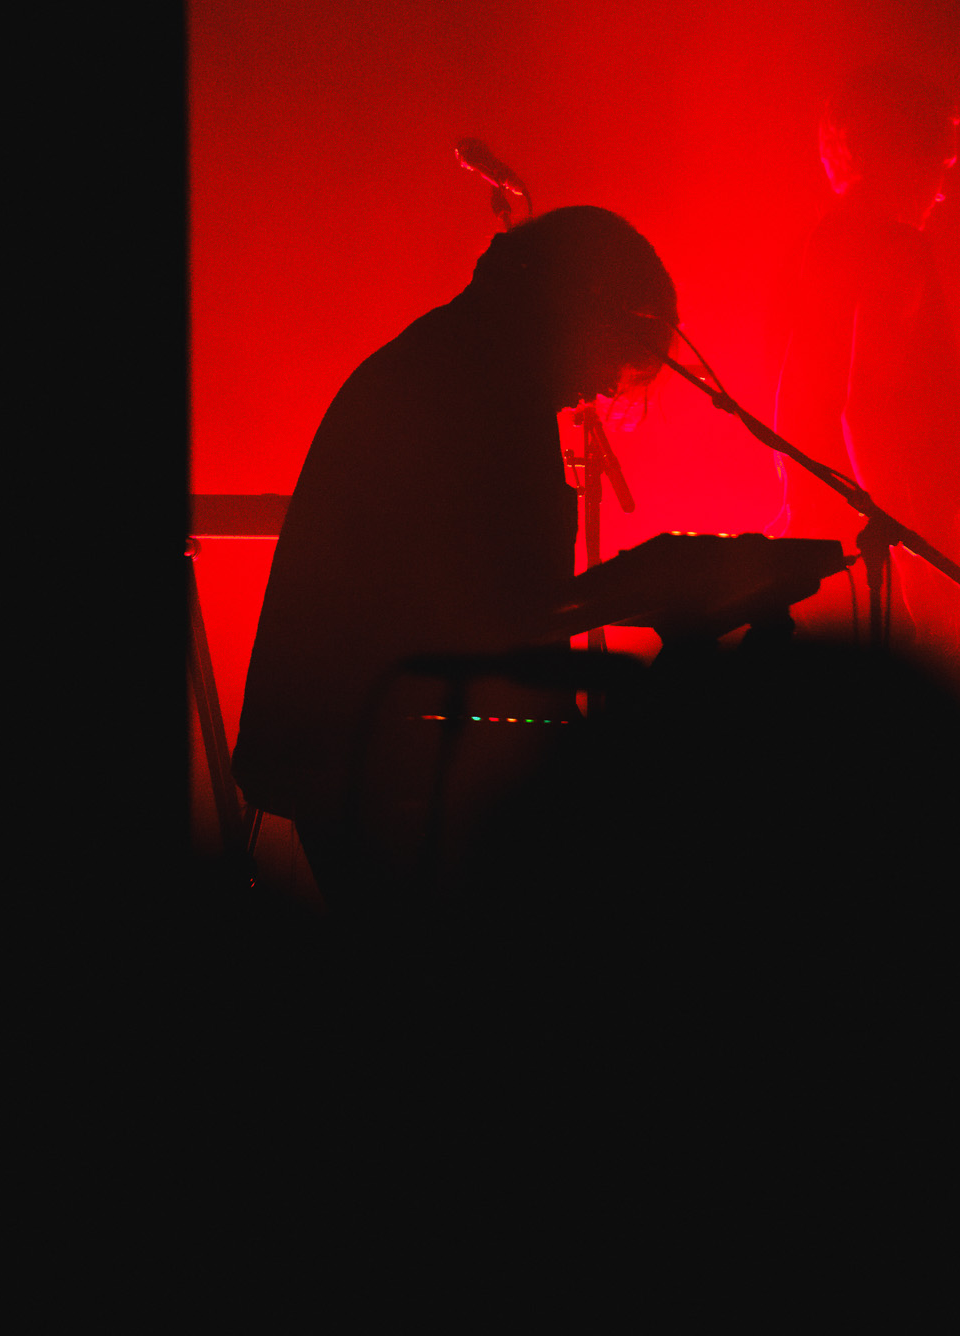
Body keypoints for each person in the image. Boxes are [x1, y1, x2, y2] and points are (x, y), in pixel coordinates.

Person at [232, 204, 678, 907]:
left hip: (358, 750)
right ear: (590, 307)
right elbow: (501, 610)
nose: (597, 389)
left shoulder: (462, 356)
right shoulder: (486, 387)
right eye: (610, 362)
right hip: (389, 764)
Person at [773, 63, 960, 693]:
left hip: (826, 540)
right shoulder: (897, 249)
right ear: (886, 153)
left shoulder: (828, 241)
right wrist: (915, 560)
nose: (941, 189)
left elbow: (800, 397)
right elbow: (868, 408)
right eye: (935, 164)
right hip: (891, 536)